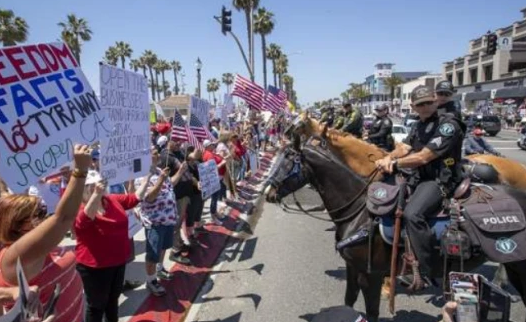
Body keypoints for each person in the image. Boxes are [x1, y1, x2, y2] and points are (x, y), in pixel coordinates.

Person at [375, 85, 465, 289]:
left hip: (441, 180)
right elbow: (405, 148)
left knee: (412, 214)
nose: (425, 107)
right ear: (413, 107)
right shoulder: (417, 125)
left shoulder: (448, 125)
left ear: (435, 100)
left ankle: (430, 269)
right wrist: (388, 157)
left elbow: (425, 156)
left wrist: (395, 163)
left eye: (428, 102)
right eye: (420, 104)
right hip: (418, 177)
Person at [0, 144, 92, 322]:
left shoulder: (34, 246)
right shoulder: (16, 256)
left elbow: (2, 190)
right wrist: (80, 170)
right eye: (38, 214)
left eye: (43, 211)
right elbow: (63, 217)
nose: (45, 217)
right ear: (16, 226)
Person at [74, 169, 150, 322]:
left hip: (118, 262)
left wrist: (148, 174)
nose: (96, 187)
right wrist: (96, 195)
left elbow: (135, 198)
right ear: (83, 188)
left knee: (112, 300)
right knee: (96, 306)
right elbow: (82, 222)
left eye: (97, 184)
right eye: (91, 185)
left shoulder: (111, 199)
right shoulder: (79, 207)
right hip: (95, 268)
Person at [134, 148, 188, 296]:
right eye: (153, 153)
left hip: (167, 220)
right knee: (152, 254)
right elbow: (149, 197)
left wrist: (181, 171)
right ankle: (151, 281)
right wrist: (160, 180)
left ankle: (160, 269)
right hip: (155, 222)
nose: (157, 154)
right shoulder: (141, 175)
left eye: (157, 152)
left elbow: (170, 183)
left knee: (163, 248)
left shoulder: (158, 170)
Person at [203, 139, 229, 225]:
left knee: (215, 198)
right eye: (211, 145)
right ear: (208, 146)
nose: (213, 146)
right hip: (214, 178)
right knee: (214, 198)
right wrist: (222, 163)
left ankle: (214, 213)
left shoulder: (209, 153)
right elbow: (212, 168)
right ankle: (213, 216)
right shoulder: (209, 154)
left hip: (214, 178)